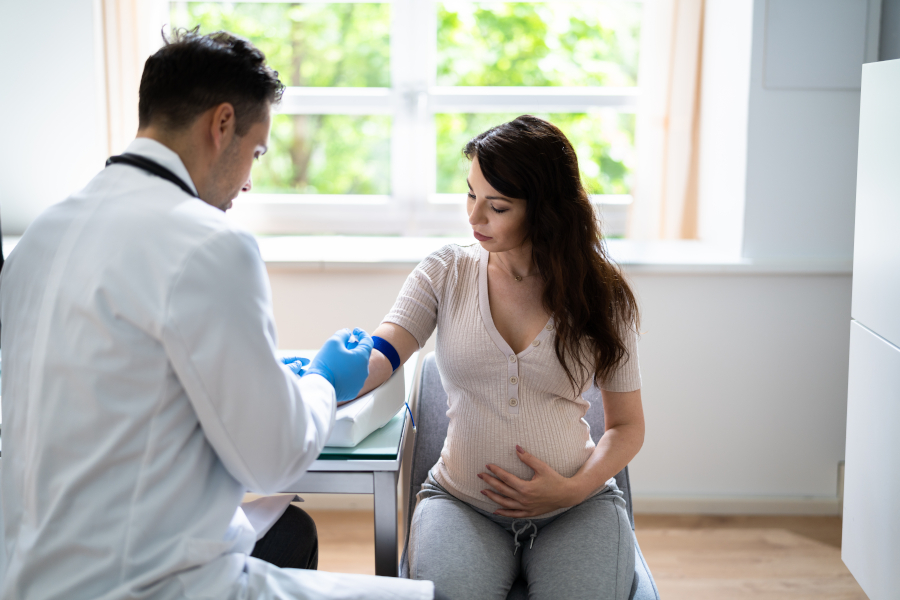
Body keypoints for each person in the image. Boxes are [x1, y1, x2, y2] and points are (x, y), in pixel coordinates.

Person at [0, 29, 435, 600]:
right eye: (255, 152)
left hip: (28, 572)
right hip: (140, 585)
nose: (249, 181)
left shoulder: (42, 236)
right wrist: (325, 380)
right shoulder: (208, 244)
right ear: (222, 124)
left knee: (289, 531)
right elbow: (274, 461)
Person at [357, 115, 645, 600]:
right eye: (471, 194)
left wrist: (573, 490)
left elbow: (627, 427)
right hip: (461, 503)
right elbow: (382, 353)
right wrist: (322, 378)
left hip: (578, 506)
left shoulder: (602, 293)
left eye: (497, 206)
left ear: (546, 210)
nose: (474, 218)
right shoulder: (443, 272)